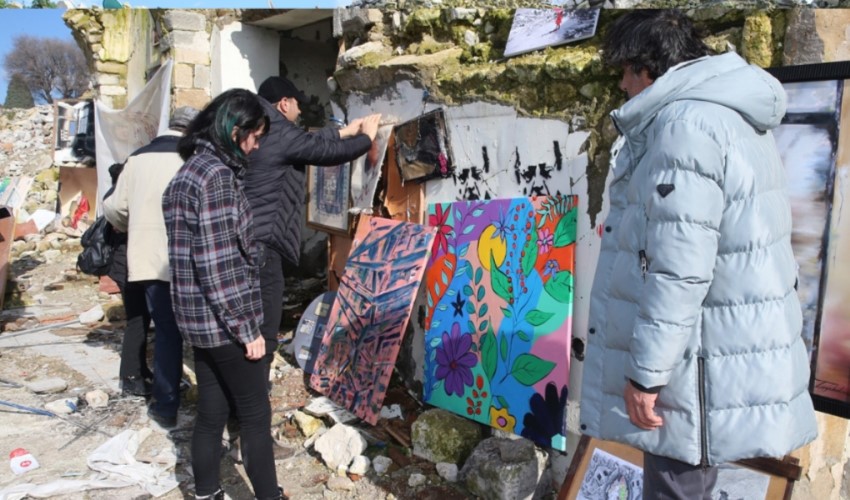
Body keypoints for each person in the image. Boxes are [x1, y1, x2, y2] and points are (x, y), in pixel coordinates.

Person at [579, 10, 818, 499]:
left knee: (676, 486)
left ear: (650, 68)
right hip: (723, 346)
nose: (623, 84)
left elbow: (678, 268)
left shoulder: (683, 127)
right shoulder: (727, 115)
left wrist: (646, 376)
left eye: (625, 70)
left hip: (696, 361)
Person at [162, 89, 282, 500]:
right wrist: (248, 329)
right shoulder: (215, 176)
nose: (257, 145)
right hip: (225, 322)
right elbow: (217, 266)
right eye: (255, 136)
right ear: (235, 130)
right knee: (254, 415)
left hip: (196, 321)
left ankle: (207, 493)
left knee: (211, 413)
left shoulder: (188, 173)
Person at [245, 76, 380, 383]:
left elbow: (308, 142)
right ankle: (253, 390)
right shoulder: (278, 131)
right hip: (264, 242)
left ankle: (245, 381)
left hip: (248, 237)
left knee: (249, 313)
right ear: (284, 104)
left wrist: (345, 131)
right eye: (297, 105)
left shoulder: (257, 127)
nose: (299, 111)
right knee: (266, 317)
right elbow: (324, 153)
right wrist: (367, 138)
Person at [103, 107, 198, 427]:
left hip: (142, 258)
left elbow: (114, 208)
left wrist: (132, 225)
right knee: (182, 333)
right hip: (180, 259)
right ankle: (176, 402)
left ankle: (151, 392)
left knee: (152, 326)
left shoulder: (137, 159)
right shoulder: (191, 159)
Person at [104, 161, 153, 397]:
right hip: (131, 268)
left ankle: (140, 370)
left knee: (140, 320)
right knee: (138, 321)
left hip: (127, 267)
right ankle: (131, 377)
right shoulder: (128, 203)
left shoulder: (116, 200)